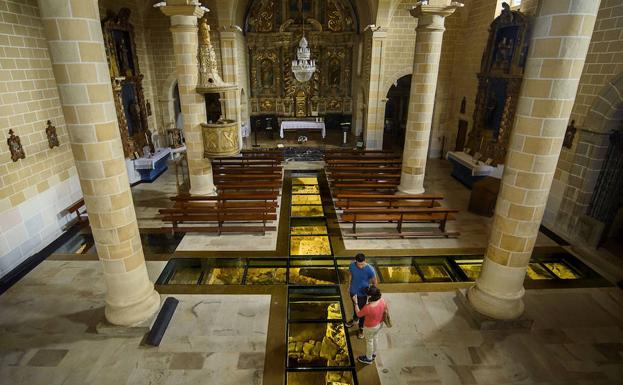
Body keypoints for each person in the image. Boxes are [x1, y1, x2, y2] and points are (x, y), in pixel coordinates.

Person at [346, 253, 377, 339]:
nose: (361, 266)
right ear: (356, 261)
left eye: (362, 264)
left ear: (365, 261)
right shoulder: (352, 265)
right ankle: (355, 319)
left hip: (363, 294)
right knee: (354, 306)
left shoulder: (370, 269)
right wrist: (349, 286)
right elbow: (350, 275)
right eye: (359, 264)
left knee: (362, 312)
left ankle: (361, 328)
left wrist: (372, 295)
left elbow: (375, 282)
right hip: (353, 291)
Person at [353, 286, 387, 364]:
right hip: (380, 324)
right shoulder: (382, 300)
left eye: (368, 295)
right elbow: (385, 309)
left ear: (371, 296)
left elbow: (358, 314)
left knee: (369, 341)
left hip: (370, 327)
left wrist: (355, 302)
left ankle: (368, 358)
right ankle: (374, 353)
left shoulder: (368, 307)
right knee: (376, 337)